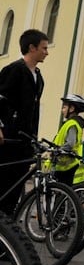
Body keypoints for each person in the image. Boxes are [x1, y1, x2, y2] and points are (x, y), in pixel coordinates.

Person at [0, 29, 49, 215]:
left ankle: (7, 227)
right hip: (8, 140)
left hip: (25, 141)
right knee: (4, 184)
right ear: (32, 47)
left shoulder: (39, 77)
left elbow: (33, 112)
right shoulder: (14, 70)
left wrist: (34, 138)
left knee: (16, 187)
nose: (47, 52)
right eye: (44, 48)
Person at [52, 94, 84, 185]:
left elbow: (70, 144)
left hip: (66, 166)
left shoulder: (72, 124)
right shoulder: (71, 123)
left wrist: (57, 150)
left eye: (64, 107)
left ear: (71, 109)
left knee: (61, 194)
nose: (62, 110)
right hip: (64, 166)